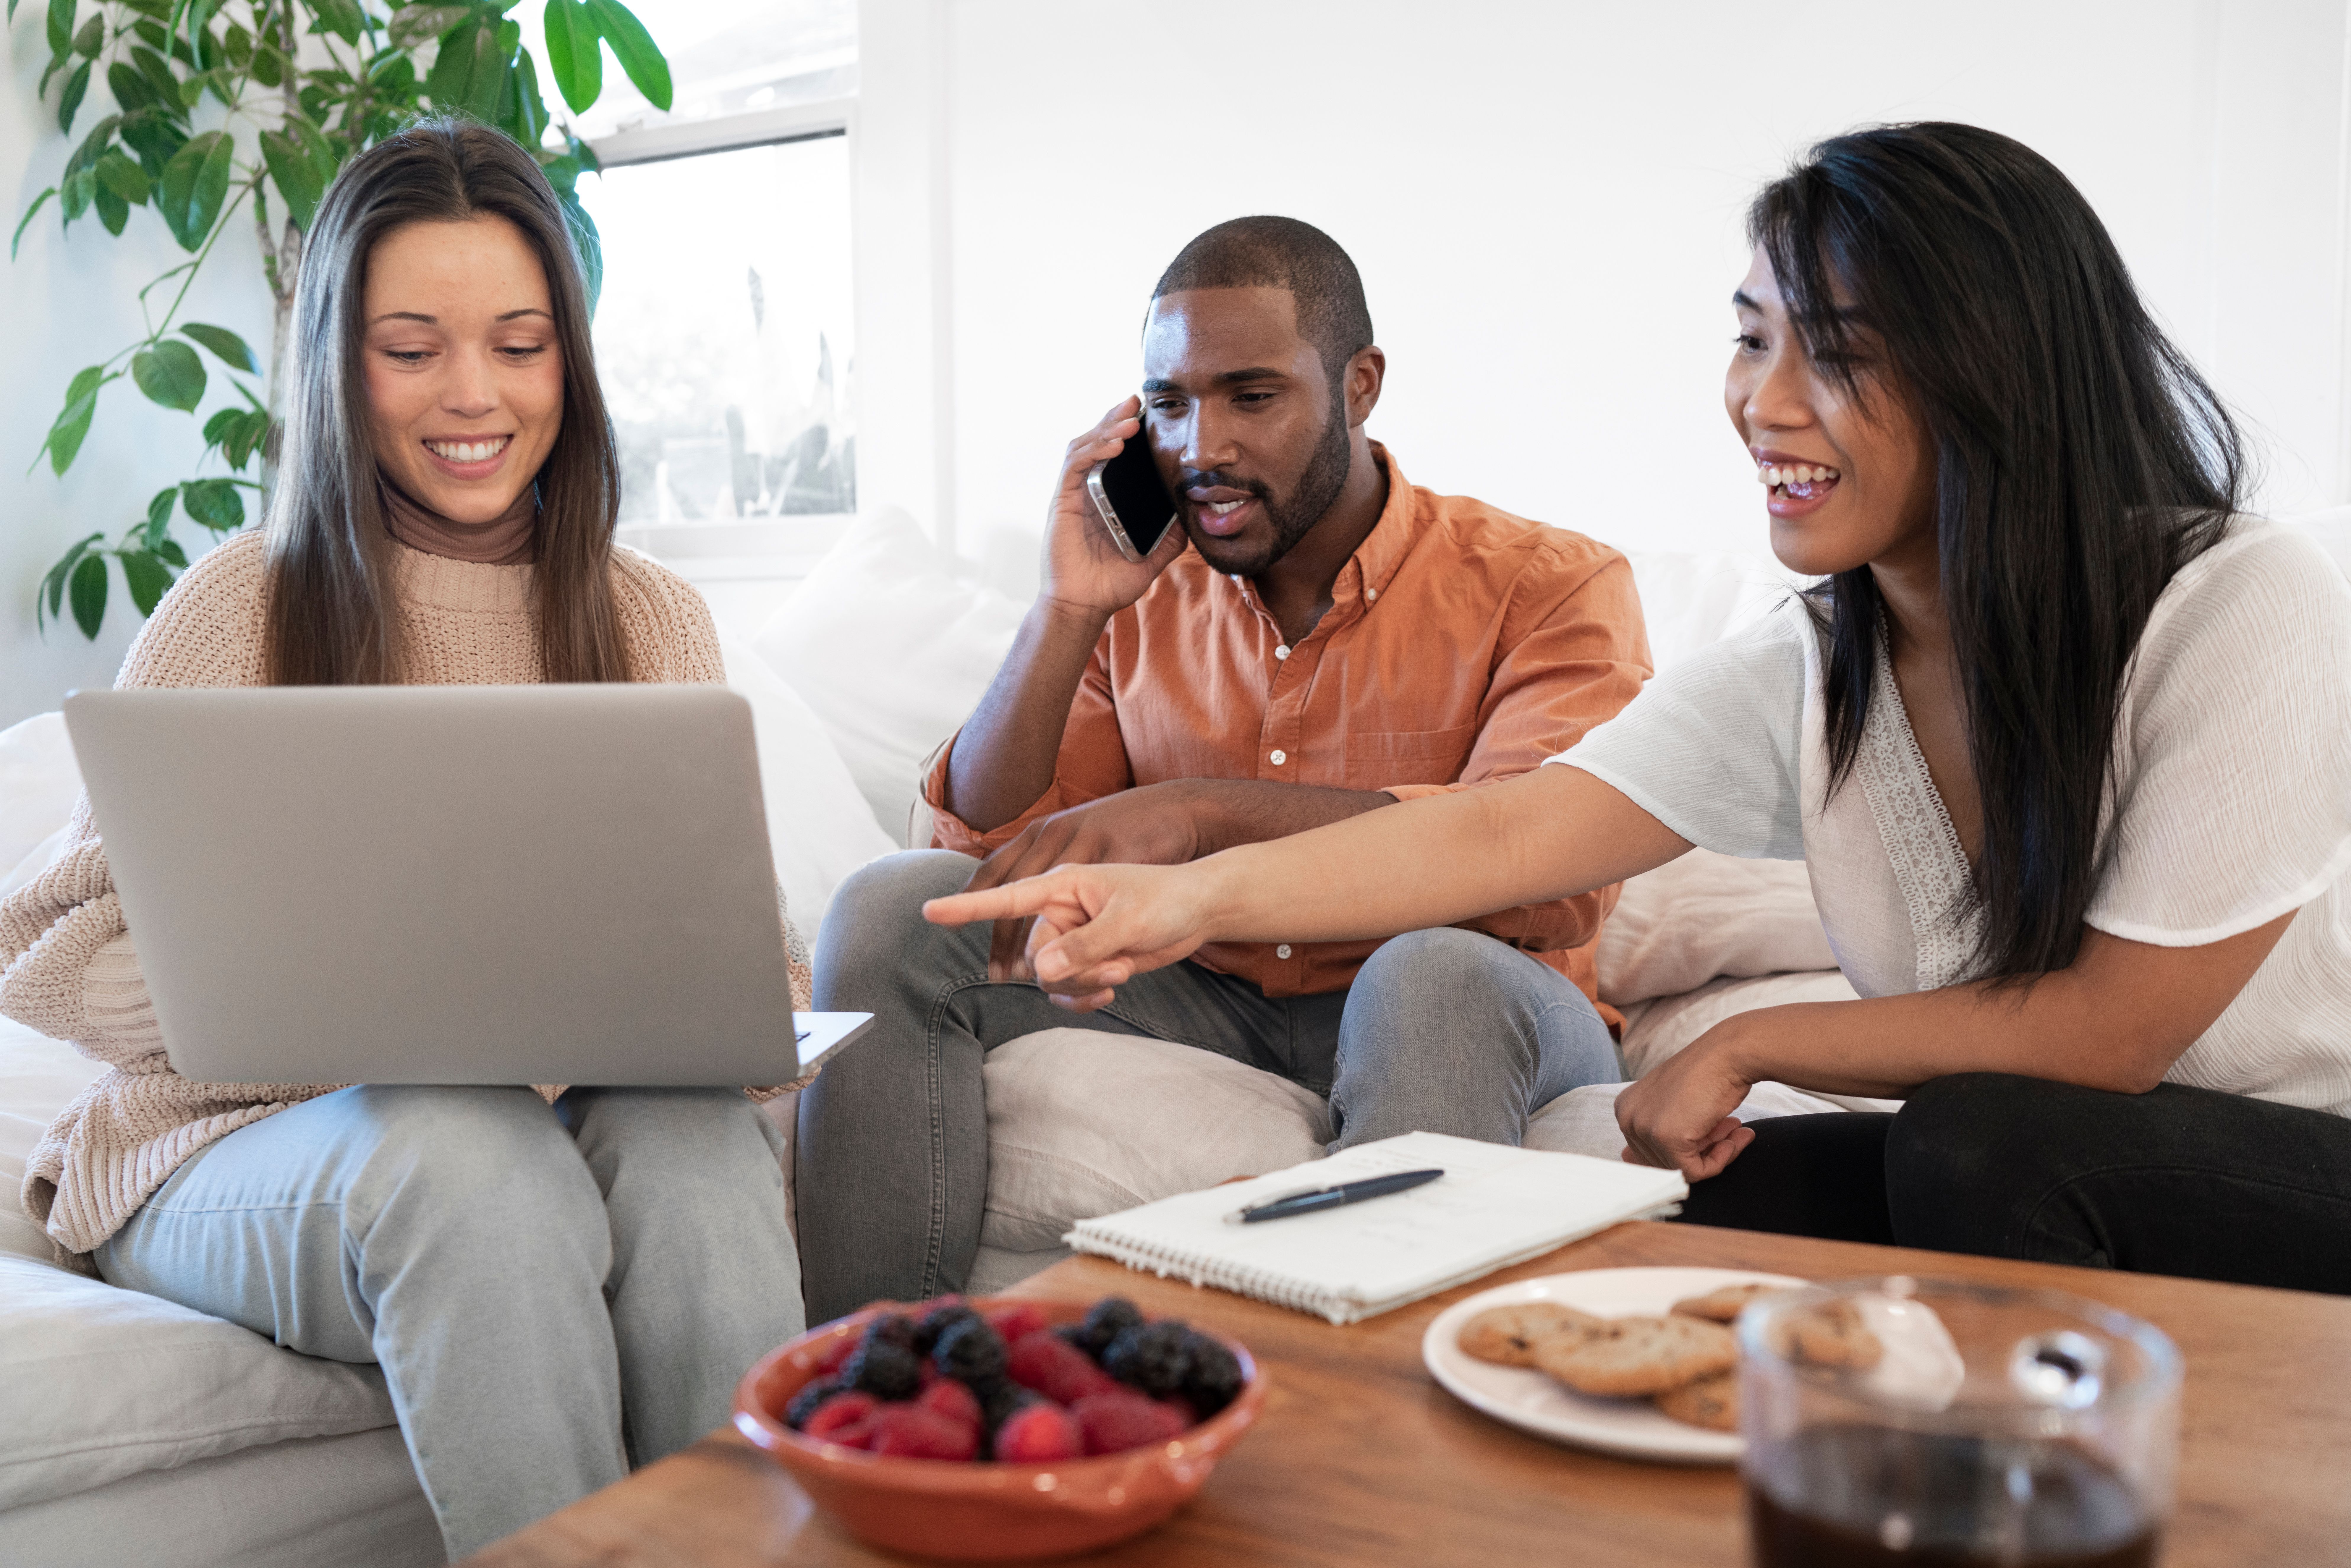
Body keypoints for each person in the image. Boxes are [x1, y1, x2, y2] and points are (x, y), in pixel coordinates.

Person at [926, 125, 2351, 1297]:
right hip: (2036, 1151)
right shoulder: (1813, 663)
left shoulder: (2236, 600)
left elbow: (2108, 1037)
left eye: (1833, 353)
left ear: (2000, 369)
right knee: (1660, 1216)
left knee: (1980, 1144)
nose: (1761, 404)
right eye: (1750, 341)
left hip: (2293, 1153)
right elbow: (1500, 835)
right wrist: (1184, 895)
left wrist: (1744, 1042)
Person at [0, 121, 809, 1558]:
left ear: (570, 361)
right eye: (410, 348)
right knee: (465, 1146)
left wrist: (717, 1001)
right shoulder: (241, 603)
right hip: (225, 1148)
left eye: (520, 344)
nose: (474, 394)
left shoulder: (650, 618)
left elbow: (754, 989)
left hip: (538, 1123)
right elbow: (43, 954)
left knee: (698, 1151)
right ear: (338, 362)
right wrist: (283, 999)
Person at [797, 216, 1650, 1320]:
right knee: (893, 909)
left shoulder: (1552, 584)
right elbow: (992, 856)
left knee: (1430, 969)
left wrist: (1202, 813)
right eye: (1169, 403)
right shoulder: (1141, 592)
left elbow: (1549, 878)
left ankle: (1368, 1410)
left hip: (1468, 999)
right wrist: (1067, 609)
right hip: (1206, 990)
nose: (1202, 447)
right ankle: (873, 1376)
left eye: (1252, 396)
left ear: (1359, 385)